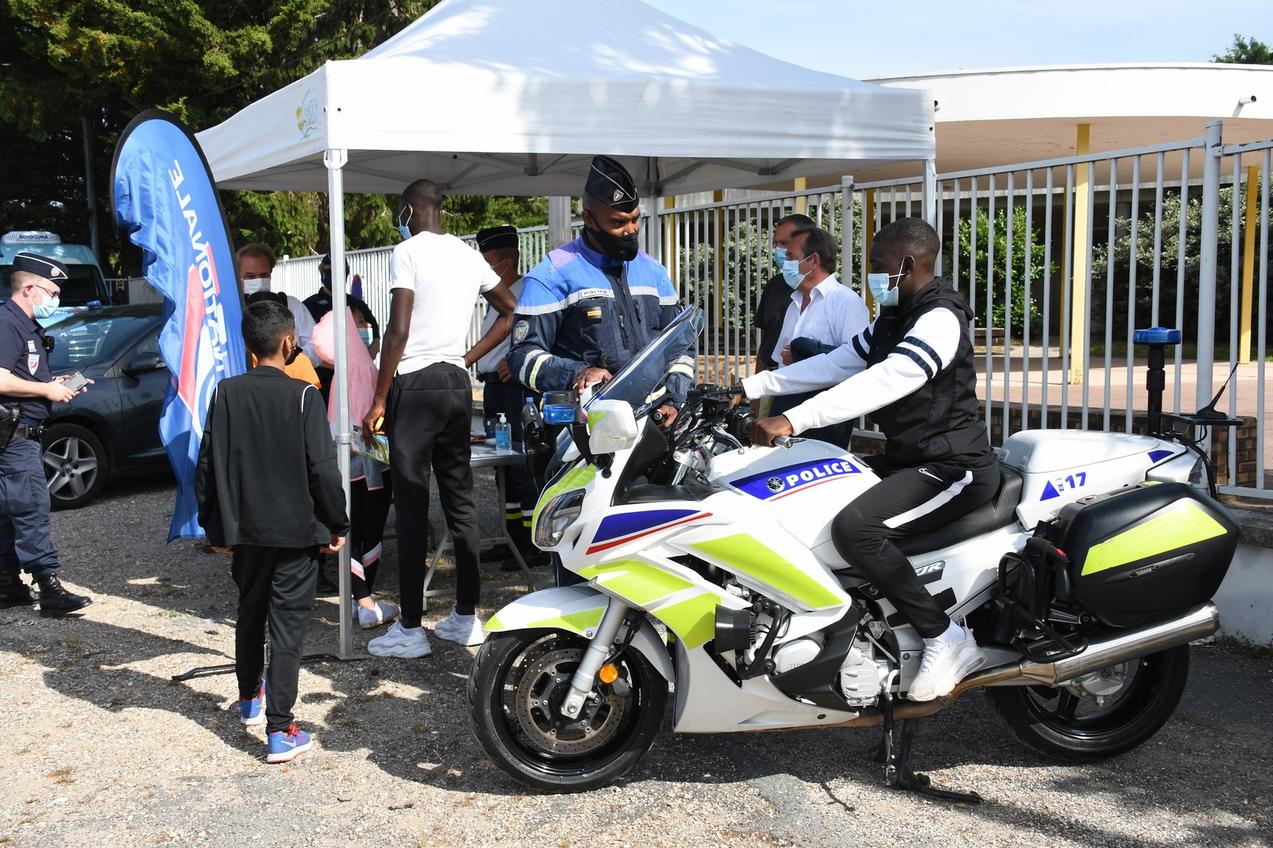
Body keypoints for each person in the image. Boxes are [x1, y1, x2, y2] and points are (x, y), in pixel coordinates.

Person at [740, 218, 997, 702]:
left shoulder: (939, 318)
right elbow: (839, 361)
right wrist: (750, 387)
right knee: (808, 495)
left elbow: (888, 379)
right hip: (909, 459)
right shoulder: (893, 317)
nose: (872, 275)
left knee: (856, 529)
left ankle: (944, 635)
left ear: (907, 264)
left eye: (878, 265)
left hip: (953, 467)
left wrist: (794, 419)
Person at [362, 179, 518, 657]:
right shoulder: (468, 256)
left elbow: (398, 329)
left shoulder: (407, 251)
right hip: (455, 383)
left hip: (415, 383)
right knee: (461, 500)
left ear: (409, 210)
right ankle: (466, 616)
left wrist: (379, 398)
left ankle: (411, 628)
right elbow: (511, 310)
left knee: (411, 503)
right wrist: (466, 358)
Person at [195, 299, 348, 764]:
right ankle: (280, 730)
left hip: (245, 530)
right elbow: (323, 470)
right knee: (287, 627)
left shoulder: (225, 393)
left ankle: (249, 700)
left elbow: (207, 465)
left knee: (250, 613)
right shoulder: (304, 396)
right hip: (297, 533)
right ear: (289, 342)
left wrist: (213, 526)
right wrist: (337, 522)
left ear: (248, 347)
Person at [506, 155, 693, 423]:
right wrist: (576, 374)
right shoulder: (552, 275)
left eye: (635, 219)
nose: (630, 230)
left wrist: (675, 399)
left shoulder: (654, 272)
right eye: (618, 222)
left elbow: (681, 344)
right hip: (586, 426)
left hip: (654, 421)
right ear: (589, 219)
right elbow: (521, 357)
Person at [0, 254, 92, 616]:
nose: (56, 299)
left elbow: (22, 375)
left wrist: (53, 384)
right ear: (28, 288)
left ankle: (7, 584)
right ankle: (49, 588)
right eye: (52, 292)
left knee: (7, 511)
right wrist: (45, 390)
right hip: (15, 436)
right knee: (31, 507)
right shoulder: (8, 323)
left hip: (19, 432)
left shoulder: (25, 326)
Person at [474, 225, 543, 571]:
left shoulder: (526, 291)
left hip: (514, 391)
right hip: (494, 390)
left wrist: (516, 365)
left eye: (488, 263)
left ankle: (533, 545)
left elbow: (537, 338)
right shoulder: (498, 293)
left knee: (520, 465)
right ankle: (510, 538)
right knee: (501, 467)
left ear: (506, 261)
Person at [766, 224, 869, 447]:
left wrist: (805, 354)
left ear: (813, 261)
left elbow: (857, 364)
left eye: (791, 257)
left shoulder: (846, 302)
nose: (785, 263)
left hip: (823, 421)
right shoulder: (794, 303)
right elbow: (780, 365)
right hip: (785, 413)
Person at [236, 243, 321, 369]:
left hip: (289, 377)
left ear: (271, 274)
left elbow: (316, 344)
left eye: (263, 275)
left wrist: (291, 358)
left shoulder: (291, 305)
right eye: (250, 277)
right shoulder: (231, 309)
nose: (258, 280)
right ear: (238, 276)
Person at [754, 213, 815, 373]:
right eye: (776, 243)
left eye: (785, 243)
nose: (778, 249)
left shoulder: (828, 295)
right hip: (771, 376)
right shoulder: (774, 286)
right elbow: (766, 343)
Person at [303, 253, 381, 359]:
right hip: (321, 368)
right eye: (330, 271)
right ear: (322, 273)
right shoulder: (309, 306)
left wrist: (361, 362)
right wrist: (334, 365)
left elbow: (375, 338)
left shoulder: (357, 304)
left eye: (340, 271)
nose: (335, 275)